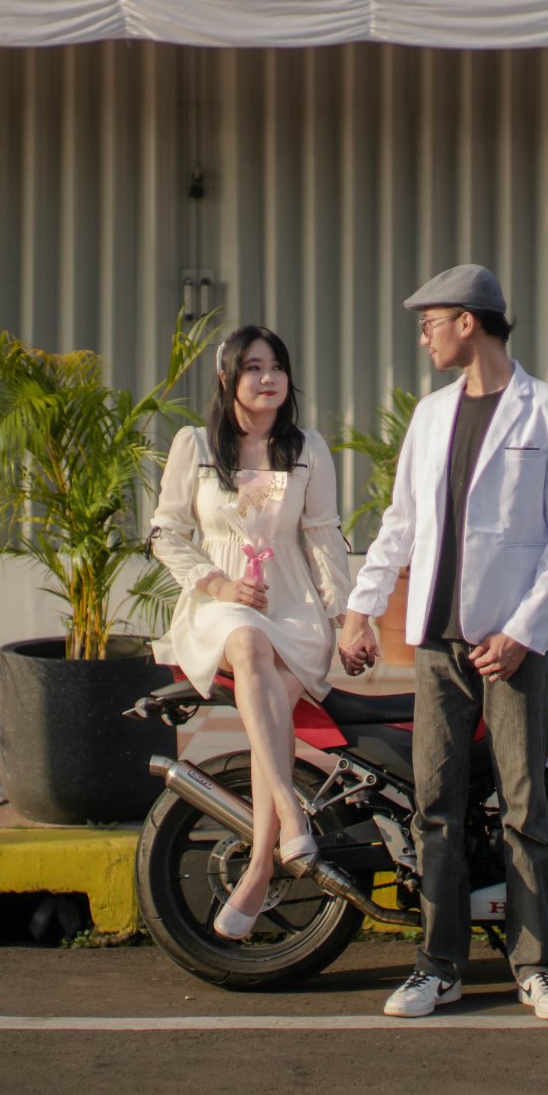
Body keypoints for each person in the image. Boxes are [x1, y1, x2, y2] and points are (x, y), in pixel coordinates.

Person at [338, 264, 548, 1021]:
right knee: (436, 806)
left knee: (524, 807)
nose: (424, 337)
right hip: (438, 644)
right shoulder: (431, 415)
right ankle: (437, 966)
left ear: (468, 322)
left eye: (430, 323)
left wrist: (522, 633)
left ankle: (537, 968)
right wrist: (360, 607)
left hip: (510, 645)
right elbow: (401, 523)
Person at [150, 325, 353, 941]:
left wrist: (345, 619)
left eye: (277, 367)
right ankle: (291, 812)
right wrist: (217, 584)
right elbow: (165, 532)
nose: (268, 378)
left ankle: (262, 864)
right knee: (247, 640)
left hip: (293, 607)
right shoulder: (194, 445)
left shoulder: (308, 447)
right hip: (220, 603)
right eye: (253, 368)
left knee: (272, 716)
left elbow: (323, 537)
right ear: (227, 378)